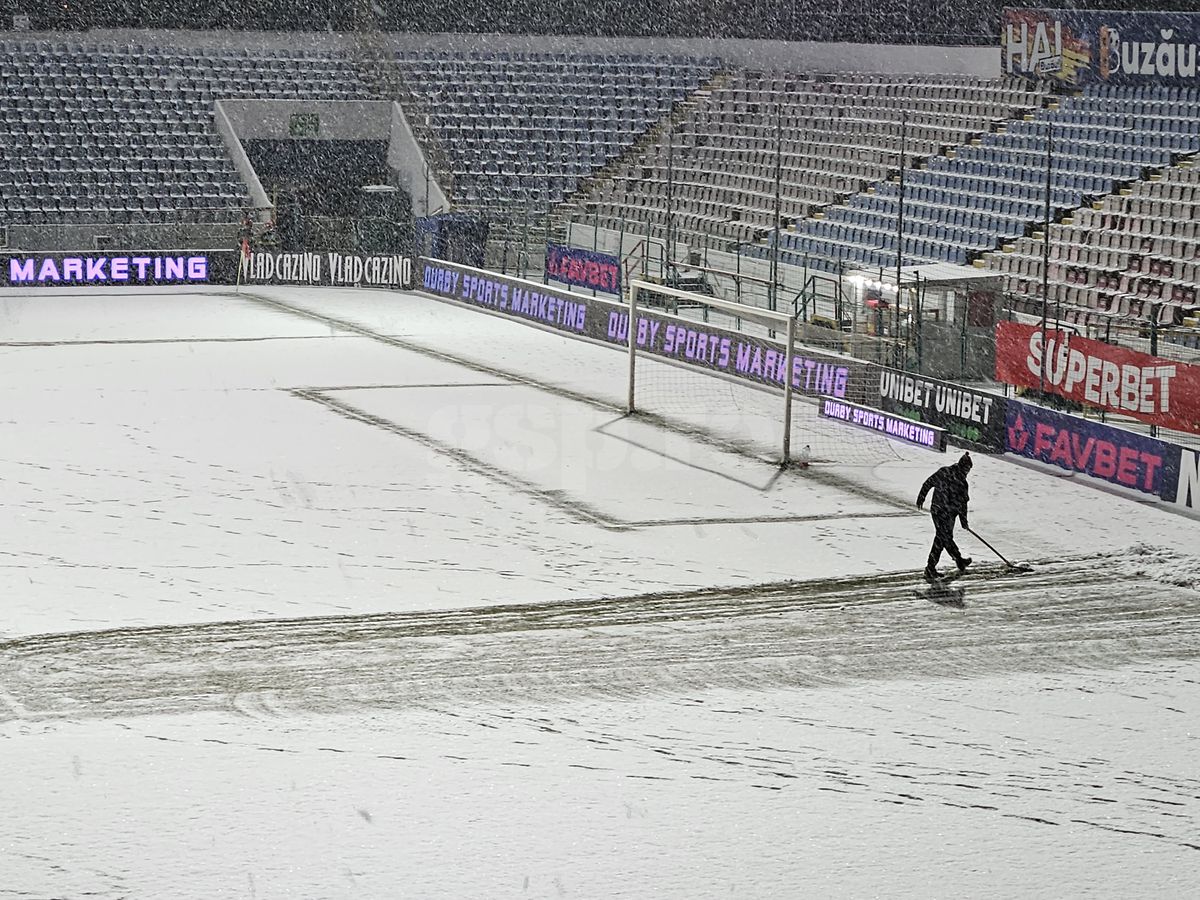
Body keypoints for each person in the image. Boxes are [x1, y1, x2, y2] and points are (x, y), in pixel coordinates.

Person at [916, 452, 973, 581]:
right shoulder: (956, 479)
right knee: (942, 538)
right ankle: (932, 567)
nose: (967, 472)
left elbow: (928, 483)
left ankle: (957, 560)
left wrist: (922, 496)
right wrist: (922, 496)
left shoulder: (948, 474)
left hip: (940, 511)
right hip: (943, 512)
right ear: (963, 466)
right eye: (967, 469)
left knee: (944, 538)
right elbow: (963, 504)